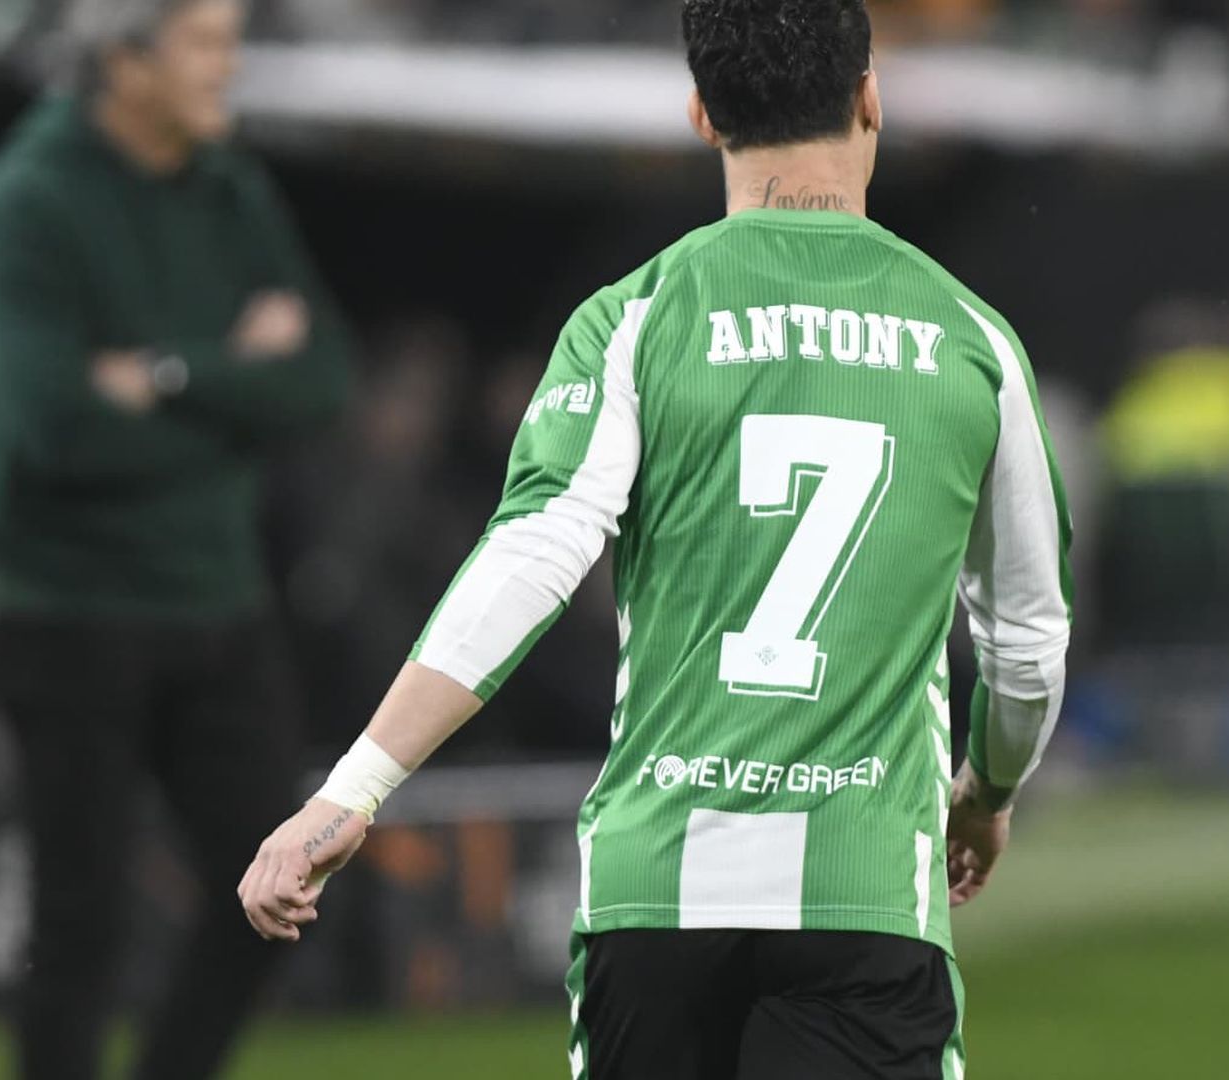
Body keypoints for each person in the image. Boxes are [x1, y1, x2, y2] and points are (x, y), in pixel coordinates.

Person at [239, 1, 1072, 1077]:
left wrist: (349, 792)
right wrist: (987, 793)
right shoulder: (973, 342)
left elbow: (531, 556)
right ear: (872, 96)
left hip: (660, 895)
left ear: (698, 112)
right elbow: (1026, 642)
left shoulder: (633, 319)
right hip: (865, 891)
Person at [0, 0, 352, 1076]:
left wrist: (169, 376)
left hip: (220, 607)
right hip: (68, 612)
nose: (231, 65)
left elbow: (321, 380)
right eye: (206, 42)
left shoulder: (232, 188)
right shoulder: (24, 203)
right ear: (124, 61)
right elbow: (54, 432)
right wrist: (234, 387)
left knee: (275, 891)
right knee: (79, 933)